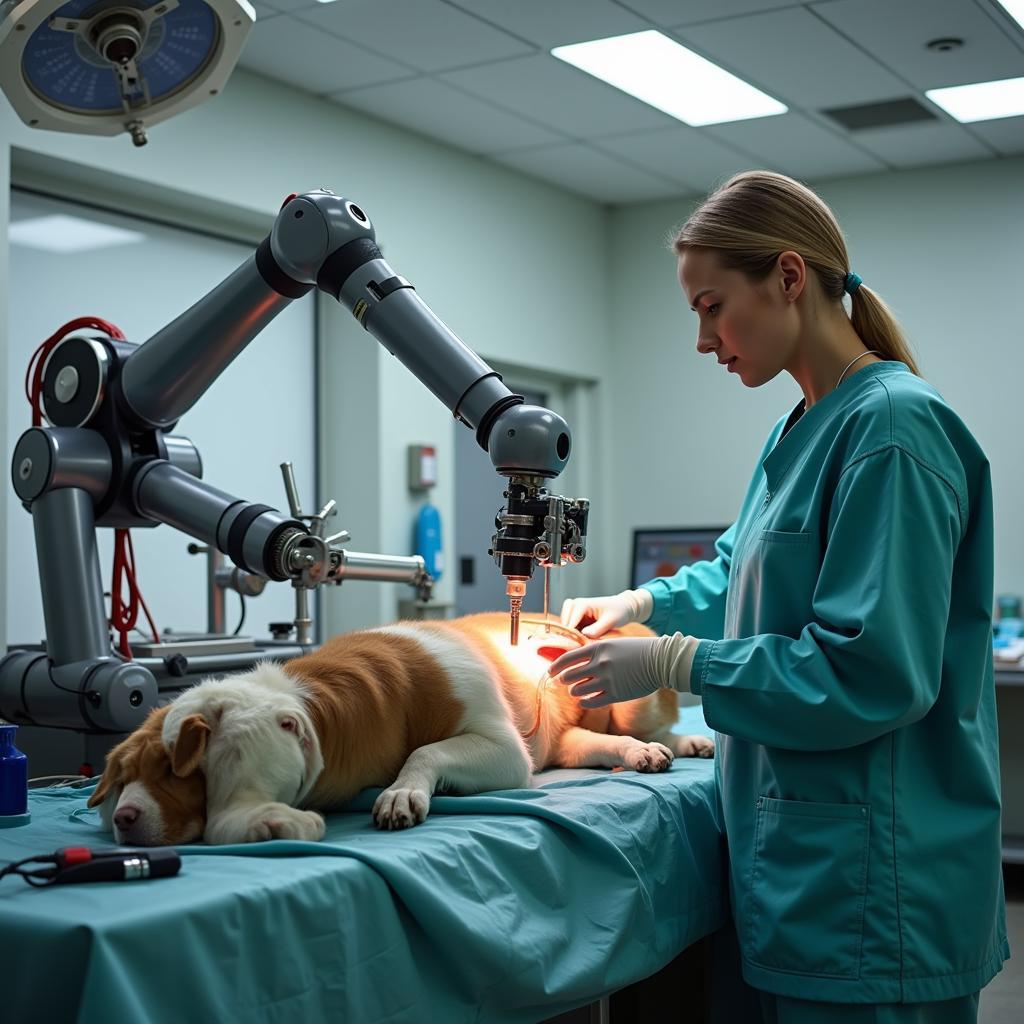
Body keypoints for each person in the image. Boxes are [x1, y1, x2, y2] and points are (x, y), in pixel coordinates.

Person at [550, 171, 1008, 1023]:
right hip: (802, 871)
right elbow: (742, 569)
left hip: (878, 889)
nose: (702, 339)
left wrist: (670, 662)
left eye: (712, 306)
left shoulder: (894, 430)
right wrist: (641, 606)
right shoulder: (801, 424)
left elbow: (872, 670)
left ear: (789, 278)